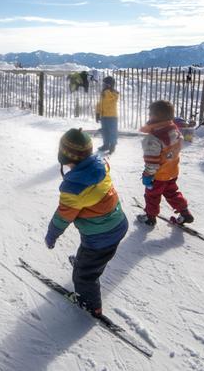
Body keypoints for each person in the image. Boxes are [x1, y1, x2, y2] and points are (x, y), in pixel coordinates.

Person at [44, 128, 128, 316]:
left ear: (65, 158)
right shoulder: (100, 165)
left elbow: (63, 216)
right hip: (118, 223)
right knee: (93, 256)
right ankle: (87, 263)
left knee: (84, 276)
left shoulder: (74, 187)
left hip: (100, 237)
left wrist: (51, 235)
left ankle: (91, 304)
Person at [137, 100, 193, 227]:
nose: (149, 116)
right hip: (172, 172)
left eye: (150, 114)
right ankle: (184, 212)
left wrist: (148, 175)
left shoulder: (153, 138)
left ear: (154, 116)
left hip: (158, 176)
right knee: (172, 193)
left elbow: (152, 161)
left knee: (152, 196)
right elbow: (178, 145)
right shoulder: (174, 129)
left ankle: (150, 217)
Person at [95, 76, 119, 154]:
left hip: (112, 117)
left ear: (109, 85)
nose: (103, 86)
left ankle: (112, 145)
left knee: (112, 132)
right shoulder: (104, 93)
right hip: (104, 116)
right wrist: (97, 113)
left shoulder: (114, 93)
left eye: (104, 84)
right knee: (105, 131)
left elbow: (109, 100)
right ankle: (106, 145)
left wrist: (107, 91)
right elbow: (100, 104)